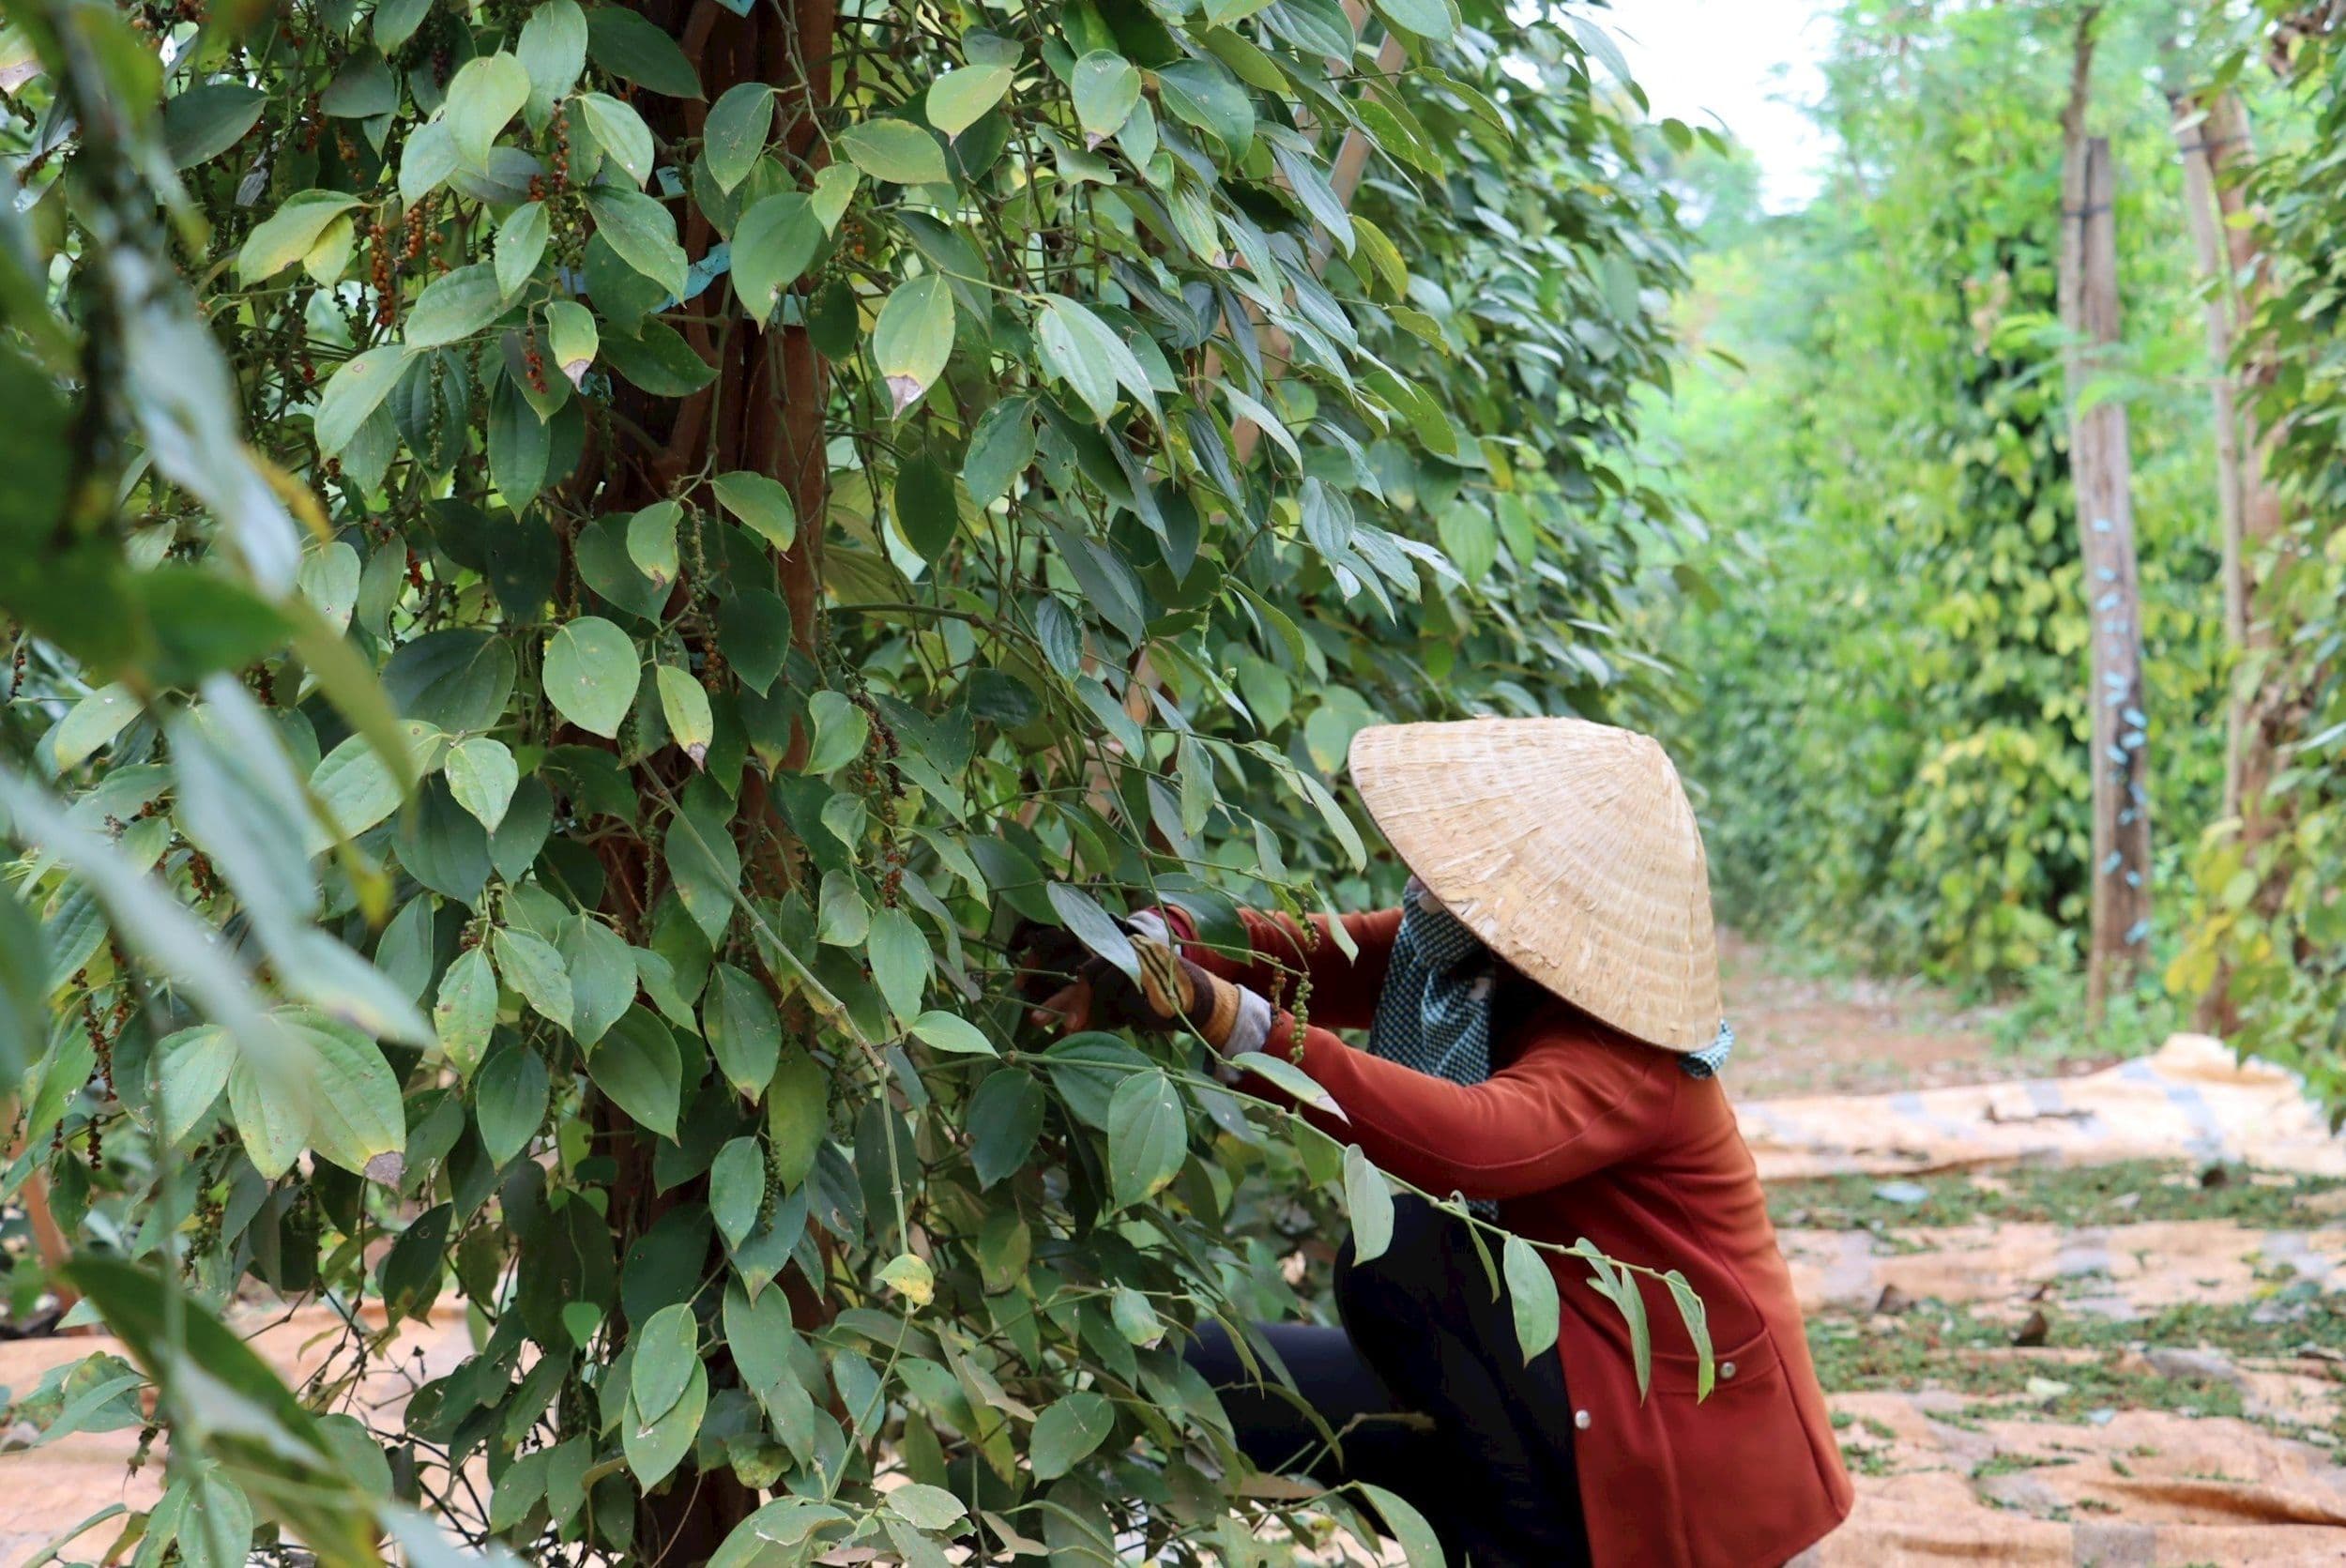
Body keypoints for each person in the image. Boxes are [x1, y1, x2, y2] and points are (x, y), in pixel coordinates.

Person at [1025, 717, 1853, 1566]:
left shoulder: (1624, 1049)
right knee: (1189, 1371)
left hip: (1667, 1452)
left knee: (1403, 1253)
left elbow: (1474, 1142)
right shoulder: (1473, 955)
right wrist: (1147, 941)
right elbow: (1308, 956)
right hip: (1545, 1397)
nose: (1426, 875)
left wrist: (1235, 1019)